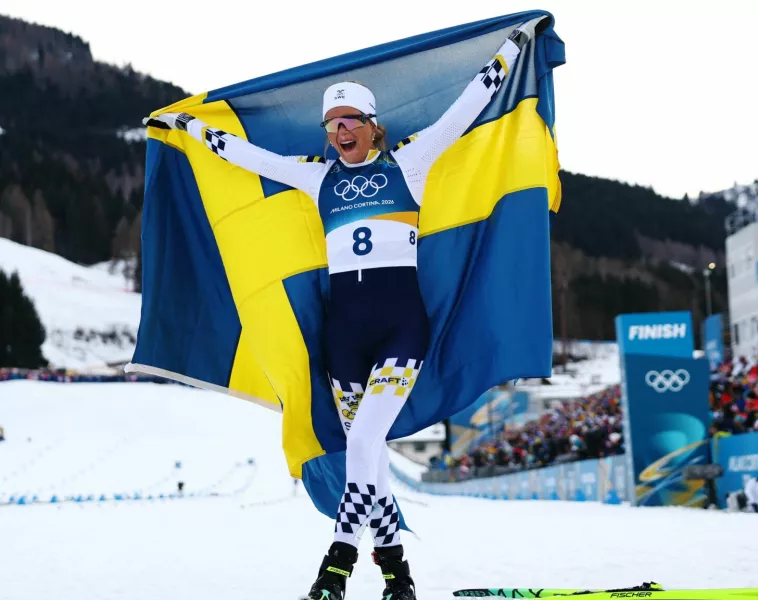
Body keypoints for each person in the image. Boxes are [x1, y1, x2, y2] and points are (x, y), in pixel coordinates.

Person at [144, 21, 542, 600]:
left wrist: (515, 46)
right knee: (369, 456)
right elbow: (247, 155)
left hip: (400, 328)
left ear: (371, 124)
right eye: (331, 125)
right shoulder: (316, 176)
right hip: (345, 339)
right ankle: (397, 578)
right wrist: (186, 126)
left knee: (363, 444)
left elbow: (465, 109)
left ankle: (336, 562)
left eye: (348, 122)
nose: (339, 133)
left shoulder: (408, 163)